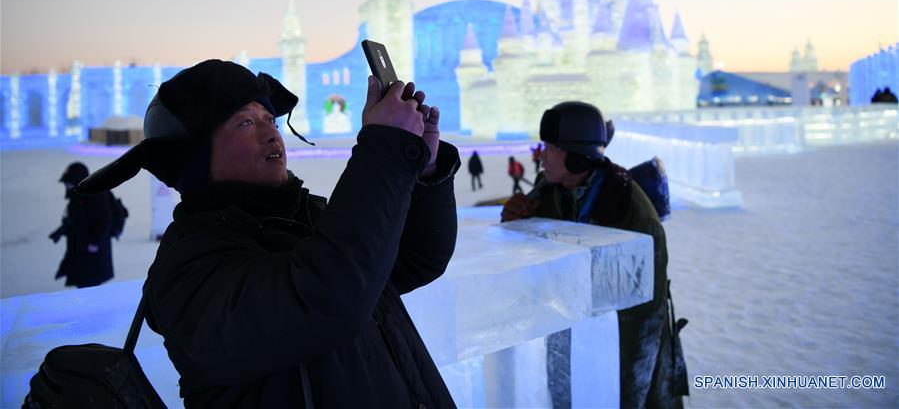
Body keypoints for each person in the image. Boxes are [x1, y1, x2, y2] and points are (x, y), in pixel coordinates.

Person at [77, 59, 461, 408]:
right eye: (246, 122)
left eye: (271, 120)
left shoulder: (306, 217)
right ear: (195, 158)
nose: (271, 135)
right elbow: (327, 300)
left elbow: (413, 260)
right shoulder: (188, 270)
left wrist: (423, 171)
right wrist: (385, 151)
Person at [501, 101, 684, 409]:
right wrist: (517, 222)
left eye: (551, 147)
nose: (541, 154)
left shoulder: (628, 209)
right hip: (574, 331)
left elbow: (643, 319)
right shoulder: (550, 190)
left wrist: (629, 392)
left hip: (619, 339)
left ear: (576, 158)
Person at [50, 162, 114, 288]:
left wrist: (94, 244)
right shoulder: (78, 194)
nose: (66, 186)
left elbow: (104, 220)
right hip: (81, 249)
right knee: (84, 284)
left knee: (90, 287)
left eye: (68, 182)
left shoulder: (94, 194)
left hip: (93, 253)